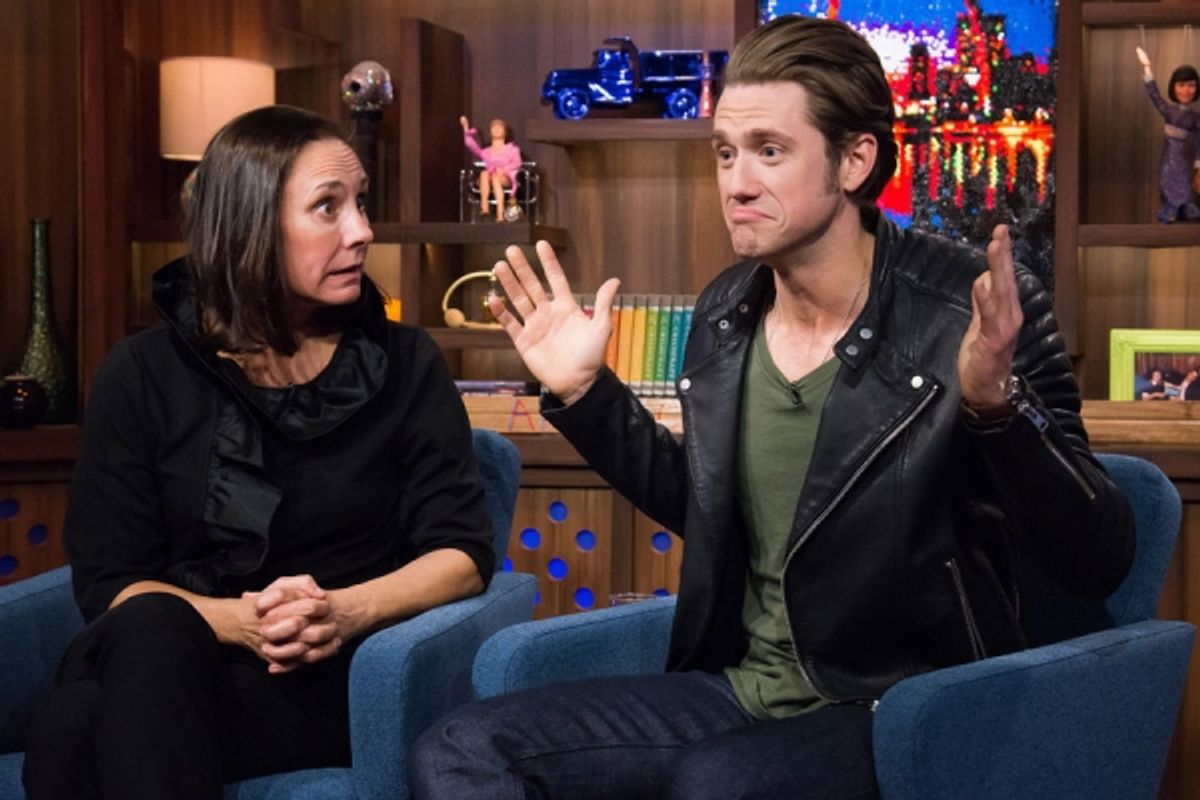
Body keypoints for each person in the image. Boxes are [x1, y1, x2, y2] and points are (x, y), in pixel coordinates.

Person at [410, 16, 1135, 800]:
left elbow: (1097, 557)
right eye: (725, 151)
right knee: (461, 751)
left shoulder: (972, 307)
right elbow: (710, 506)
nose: (736, 182)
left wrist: (997, 409)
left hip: (901, 703)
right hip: (740, 691)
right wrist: (587, 396)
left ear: (855, 160)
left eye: (770, 151)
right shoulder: (728, 309)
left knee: (721, 784)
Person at [22, 105, 495, 799]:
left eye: (360, 203)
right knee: (143, 638)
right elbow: (110, 578)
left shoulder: (406, 361)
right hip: (177, 657)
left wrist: (344, 611)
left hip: (328, 682)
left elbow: (463, 556)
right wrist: (238, 622)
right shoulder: (140, 374)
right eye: (328, 208)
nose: (362, 231)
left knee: (72, 724)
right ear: (249, 224)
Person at [1136, 46, 1200, 223]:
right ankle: (1169, 211)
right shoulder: (1169, 112)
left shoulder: (1195, 118)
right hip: (1168, 157)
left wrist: (1198, 166)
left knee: (1185, 187)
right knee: (1167, 183)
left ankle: (1185, 209)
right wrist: (1147, 67)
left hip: (1184, 160)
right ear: (1174, 87)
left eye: (1191, 86)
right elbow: (1155, 96)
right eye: (1181, 85)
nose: (1186, 91)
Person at [460, 114, 524, 221]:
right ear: (490, 132)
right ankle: (484, 207)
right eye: (494, 127)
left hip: (505, 177)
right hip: (489, 177)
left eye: (500, 127)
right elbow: (471, 145)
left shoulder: (512, 149)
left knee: (495, 177)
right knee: (484, 174)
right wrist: (465, 128)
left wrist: (504, 170)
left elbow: (517, 163)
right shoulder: (486, 152)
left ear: (505, 132)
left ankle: (500, 212)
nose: (497, 129)